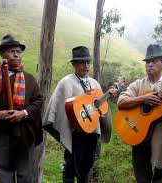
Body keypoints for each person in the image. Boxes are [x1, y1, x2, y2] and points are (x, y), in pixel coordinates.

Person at [0, 34, 43, 183]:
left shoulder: (29, 79)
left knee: (25, 175)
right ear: (2, 54)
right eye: (12, 51)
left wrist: (23, 113)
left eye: (19, 51)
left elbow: (38, 101)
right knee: (4, 174)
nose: (16, 54)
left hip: (24, 134)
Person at [43, 46, 116, 183]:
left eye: (88, 62)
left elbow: (101, 109)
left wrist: (103, 108)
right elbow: (57, 107)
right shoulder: (66, 82)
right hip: (75, 134)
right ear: (74, 64)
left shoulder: (94, 84)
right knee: (70, 167)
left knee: (87, 167)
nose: (86, 65)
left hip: (91, 133)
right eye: (82, 62)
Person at [117, 44, 162, 183]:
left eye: (154, 61)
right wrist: (142, 98)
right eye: (147, 62)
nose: (149, 64)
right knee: (141, 178)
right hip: (138, 137)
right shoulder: (138, 84)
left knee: (160, 179)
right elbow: (121, 102)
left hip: (161, 142)